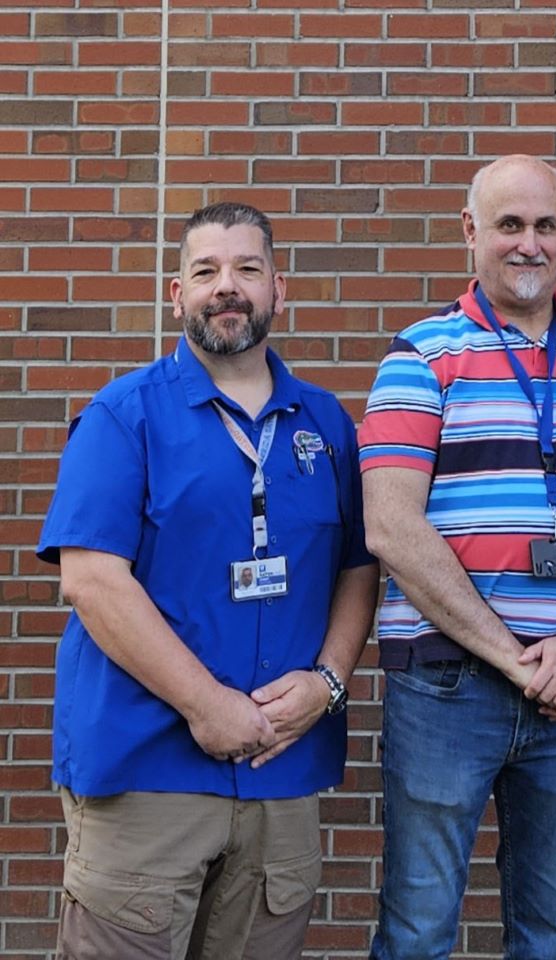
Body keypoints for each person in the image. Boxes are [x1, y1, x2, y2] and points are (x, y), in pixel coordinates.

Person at [35, 201, 380, 959]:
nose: (228, 287)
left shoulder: (327, 426)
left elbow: (359, 567)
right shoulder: (123, 417)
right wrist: (207, 704)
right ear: (176, 294)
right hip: (147, 770)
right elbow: (91, 581)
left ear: (278, 291)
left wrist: (327, 683)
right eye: (206, 272)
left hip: (280, 772)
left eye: (248, 270)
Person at [358, 154, 556, 959]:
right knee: (419, 931)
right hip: (446, 685)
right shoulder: (420, 355)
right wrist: (512, 656)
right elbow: (390, 524)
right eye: (508, 225)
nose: (527, 244)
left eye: (544, 226)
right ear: (471, 233)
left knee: (550, 933)